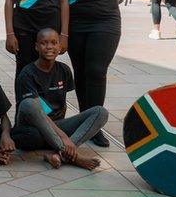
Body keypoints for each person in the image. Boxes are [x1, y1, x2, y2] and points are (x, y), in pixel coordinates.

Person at [54, 0, 148, 148]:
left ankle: (95, 126)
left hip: (105, 22)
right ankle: (86, 120)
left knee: (96, 71)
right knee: (81, 73)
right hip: (75, 23)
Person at [12, 29, 108, 170]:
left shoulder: (64, 70)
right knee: (29, 104)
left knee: (100, 112)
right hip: (32, 130)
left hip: (55, 127)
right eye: (44, 43)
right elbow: (37, 113)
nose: (49, 47)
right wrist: (63, 136)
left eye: (54, 43)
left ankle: (60, 154)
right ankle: (70, 154)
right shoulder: (27, 73)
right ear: (36, 47)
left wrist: (61, 132)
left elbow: (62, 104)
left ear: (60, 46)